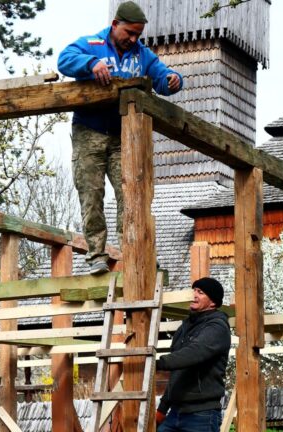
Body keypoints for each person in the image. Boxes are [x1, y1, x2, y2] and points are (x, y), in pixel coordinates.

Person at [57, 1, 182, 274]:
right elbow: (64, 59)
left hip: (123, 136)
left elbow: (162, 77)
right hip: (88, 132)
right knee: (91, 194)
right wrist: (90, 63)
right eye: (129, 33)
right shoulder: (91, 44)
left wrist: (173, 79)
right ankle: (96, 255)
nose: (133, 39)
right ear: (115, 25)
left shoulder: (142, 55)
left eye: (138, 34)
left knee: (132, 195)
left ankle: (136, 254)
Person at [155, 277, 231, 432]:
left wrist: (156, 363)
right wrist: (163, 408)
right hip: (175, 412)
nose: (194, 295)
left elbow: (193, 353)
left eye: (200, 292)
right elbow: (177, 372)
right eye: (194, 290)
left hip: (201, 415)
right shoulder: (185, 327)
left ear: (213, 302)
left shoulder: (217, 327)